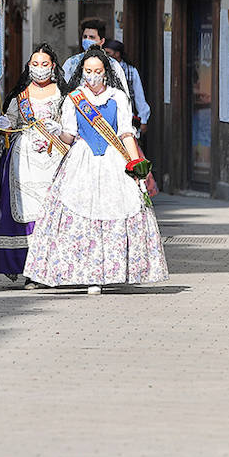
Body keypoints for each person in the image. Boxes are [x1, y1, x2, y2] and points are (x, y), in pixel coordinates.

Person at [24, 47, 168, 294]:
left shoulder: (118, 98)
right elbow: (69, 136)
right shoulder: (74, 99)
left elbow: (125, 134)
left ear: (106, 72)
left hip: (112, 161)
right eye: (88, 71)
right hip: (82, 161)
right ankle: (89, 274)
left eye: (97, 71)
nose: (92, 76)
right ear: (82, 72)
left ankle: (111, 272)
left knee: (116, 213)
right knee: (81, 216)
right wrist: (57, 131)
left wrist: (137, 167)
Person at [0, 44, 66, 283]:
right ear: (28, 67)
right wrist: (4, 123)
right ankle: (28, 268)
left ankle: (54, 268)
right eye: (35, 64)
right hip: (24, 161)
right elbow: (10, 121)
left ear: (53, 66)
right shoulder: (20, 96)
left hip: (55, 159)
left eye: (44, 64)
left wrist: (60, 129)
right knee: (25, 215)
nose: (39, 69)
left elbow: (70, 125)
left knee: (50, 213)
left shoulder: (63, 94)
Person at [101, 39, 151, 135]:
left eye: (108, 53)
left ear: (117, 54)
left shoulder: (131, 71)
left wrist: (143, 120)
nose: (105, 56)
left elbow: (139, 96)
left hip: (126, 118)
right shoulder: (102, 70)